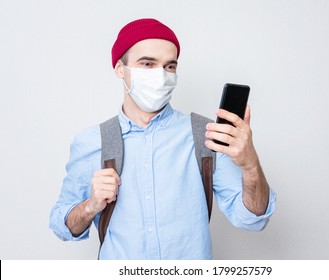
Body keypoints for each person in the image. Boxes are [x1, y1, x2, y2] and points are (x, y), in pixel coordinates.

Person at [49, 18, 276, 260]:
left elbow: (252, 219)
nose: (160, 75)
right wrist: (91, 205)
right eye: (147, 64)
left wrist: (251, 165)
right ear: (119, 69)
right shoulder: (93, 141)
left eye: (169, 66)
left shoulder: (205, 135)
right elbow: (62, 226)